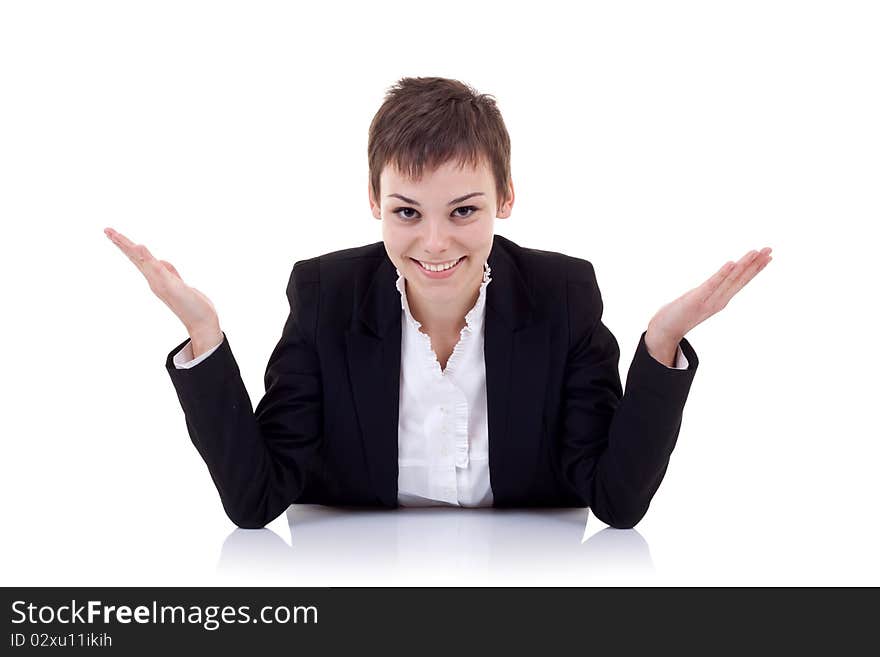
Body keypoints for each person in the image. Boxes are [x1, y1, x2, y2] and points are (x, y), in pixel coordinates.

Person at [104, 76, 772, 529]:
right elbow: (256, 499)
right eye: (406, 211)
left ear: (504, 199)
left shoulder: (564, 296)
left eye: (463, 210)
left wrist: (659, 344)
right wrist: (203, 335)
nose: (434, 241)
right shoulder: (325, 296)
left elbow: (616, 502)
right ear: (375, 202)